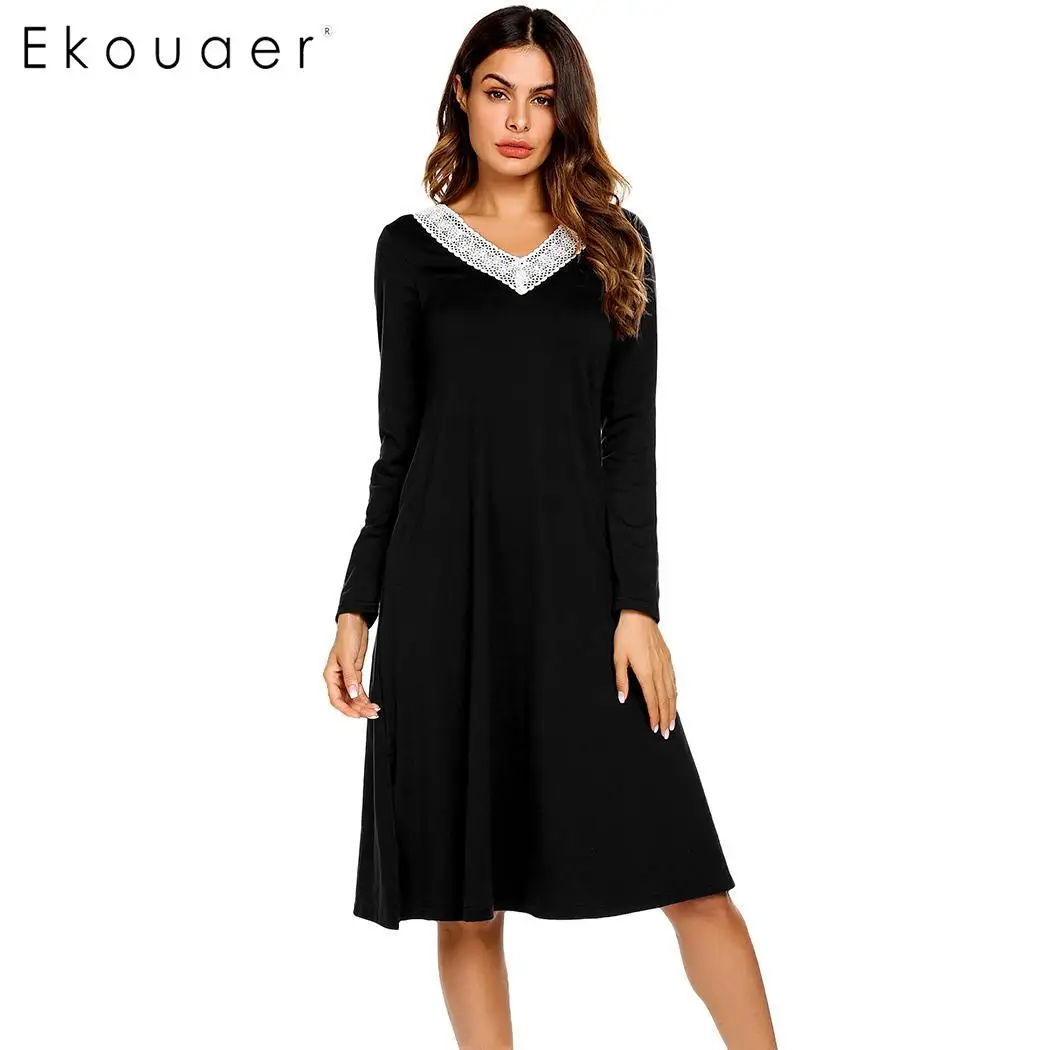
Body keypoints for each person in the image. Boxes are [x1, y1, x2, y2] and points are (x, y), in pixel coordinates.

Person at [322, 7, 777, 1048]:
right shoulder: (409, 251)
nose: (519, 119)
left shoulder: (615, 245)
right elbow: (399, 445)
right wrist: (357, 605)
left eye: (541, 97)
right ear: (463, 98)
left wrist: (637, 608)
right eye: (498, 93)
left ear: (568, 110)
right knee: (466, 897)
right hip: (444, 599)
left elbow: (630, 441)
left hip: (581, 601)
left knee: (693, 881)